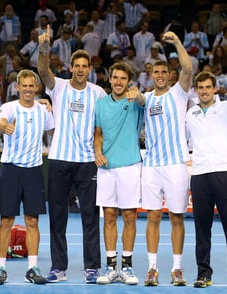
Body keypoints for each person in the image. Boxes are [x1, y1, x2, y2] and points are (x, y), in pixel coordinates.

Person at [37, 25, 106, 283]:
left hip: (88, 162)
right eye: (76, 65)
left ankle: (92, 267)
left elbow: (101, 128)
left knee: (90, 215)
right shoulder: (60, 87)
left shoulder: (98, 93)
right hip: (59, 160)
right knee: (58, 216)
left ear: (89, 69)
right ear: (71, 67)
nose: (79, 69)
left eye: (84, 66)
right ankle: (58, 267)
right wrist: (44, 47)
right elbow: (43, 70)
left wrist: (99, 150)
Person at [135, 31, 192, 287]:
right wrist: (133, 93)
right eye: (155, 73)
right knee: (153, 217)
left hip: (177, 164)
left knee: (177, 216)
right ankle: (152, 268)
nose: (159, 76)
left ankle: (177, 269)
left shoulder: (179, 93)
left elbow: (188, 68)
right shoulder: (145, 99)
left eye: (163, 72)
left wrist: (177, 43)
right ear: (151, 75)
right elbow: (133, 99)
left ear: (170, 75)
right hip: (151, 166)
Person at [185, 68, 227, 289]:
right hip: (200, 175)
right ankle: (203, 274)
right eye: (200, 88)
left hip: (224, 174)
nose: (204, 91)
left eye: (208, 87)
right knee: (202, 228)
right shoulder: (190, 114)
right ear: (196, 90)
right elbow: (183, 140)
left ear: (215, 89)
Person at [0, 69, 54, 285]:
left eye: (31, 85)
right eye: (24, 85)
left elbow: (53, 132)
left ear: (37, 88)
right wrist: (5, 127)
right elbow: (0, 122)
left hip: (34, 170)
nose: (28, 89)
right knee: (6, 220)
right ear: (17, 87)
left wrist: (52, 108)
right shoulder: (9, 107)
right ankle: (0, 268)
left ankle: (32, 268)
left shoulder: (44, 110)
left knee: (32, 221)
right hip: (11, 169)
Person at [94, 62, 143, 285]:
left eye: (123, 78)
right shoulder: (101, 104)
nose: (118, 82)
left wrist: (138, 94)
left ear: (129, 81)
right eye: (115, 77)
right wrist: (97, 151)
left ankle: (128, 266)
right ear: (110, 79)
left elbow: (143, 100)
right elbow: (98, 133)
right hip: (106, 168)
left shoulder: (135, 101)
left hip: (130, 165)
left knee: (130, 216)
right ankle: (111, 266)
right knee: (110, 215)